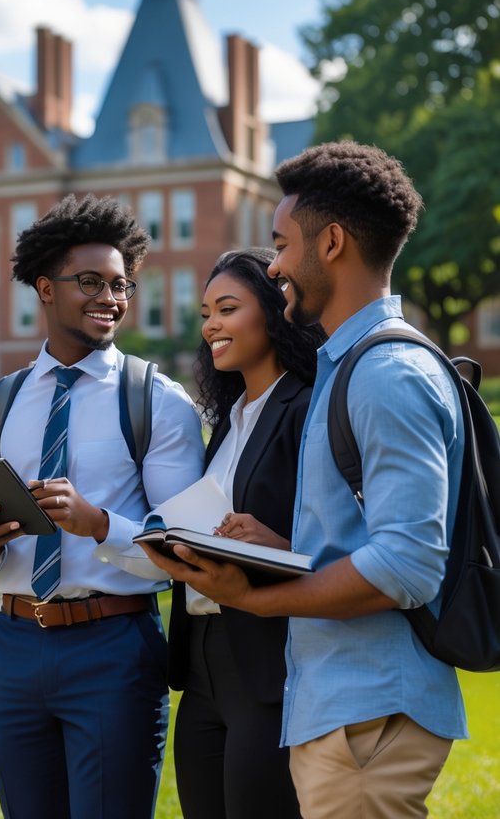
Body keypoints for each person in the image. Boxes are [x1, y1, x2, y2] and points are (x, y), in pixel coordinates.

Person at [142, 141, 468, 819]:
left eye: (281, 244)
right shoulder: (342, 369)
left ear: (332, 243)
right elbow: (362, 537)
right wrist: (270, 546)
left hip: (368, 712)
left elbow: (407, 564)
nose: (278, 265)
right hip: (335, 706)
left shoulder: (384, 372)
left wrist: (255, 598)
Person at [0, 194, 205, 818]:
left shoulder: (158, 401)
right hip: (13, 643)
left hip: (113, 645)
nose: (110, 297)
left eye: (121, 284)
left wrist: (99, 525)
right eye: (90, 282)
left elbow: (188, 547)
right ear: (44, 287)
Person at [167, 248, 324, 819]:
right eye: (206, 311)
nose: (211, 324)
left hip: (266, 662)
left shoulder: (307, 408)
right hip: (203, 661)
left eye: (227, 308)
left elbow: (334, 541)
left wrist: (278, 544)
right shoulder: (230, 419)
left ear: (276, 309)